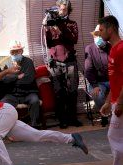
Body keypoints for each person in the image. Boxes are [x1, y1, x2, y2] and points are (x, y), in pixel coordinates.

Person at [43, 0, 82, 128]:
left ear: (68, 10)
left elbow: (74, 39)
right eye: (60, 9)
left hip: (70, 60)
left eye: (64, 9)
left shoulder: (72, 24)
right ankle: (62, 119)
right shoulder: (51, 24)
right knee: (58, 92)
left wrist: (61, 28)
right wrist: (47, 26)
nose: (62, 11)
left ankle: (73, 118)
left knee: (72, 90)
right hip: (55, 62)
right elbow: (48, 43)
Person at [99, 15, 123, 165]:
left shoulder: (121, 49)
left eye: (101, 30)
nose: (100, 34)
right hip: (116, 100)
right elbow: (115, 80)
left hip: (121, 102)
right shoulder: (113, 50)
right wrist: (108, 101)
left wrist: (120, 103)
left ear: (111, 28)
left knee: (113, 136)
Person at [1, 40, 40, 127]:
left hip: (28, 92)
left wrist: (12, 80)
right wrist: (17, 77)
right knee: (3, 103)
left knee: (35, 101)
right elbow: (3, 80)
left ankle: (34, 125)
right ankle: (9, 127)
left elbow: (29, 79)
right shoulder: (7, 64)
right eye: (12, 52)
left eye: (17, 51)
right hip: (13, 94)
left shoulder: (28, 62)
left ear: (21, 51)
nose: (14, 54)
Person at [85, 24, 111, 127]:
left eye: (101, 35)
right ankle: (104, 114)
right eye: (96, 35)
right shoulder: (89, 49)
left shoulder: (111, 47)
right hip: (98, 82)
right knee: (97, 95)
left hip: (111, 80)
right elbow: (88, 70)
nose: (98, 38)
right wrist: (95, 85)